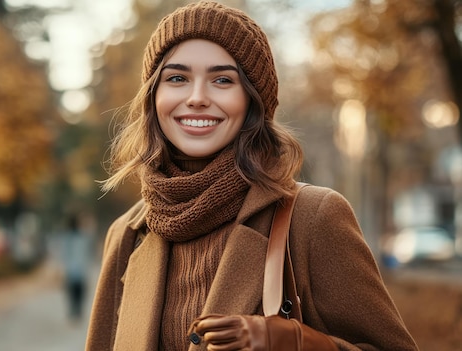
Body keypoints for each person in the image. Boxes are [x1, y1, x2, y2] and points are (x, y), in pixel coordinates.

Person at [86, 1, 418, 351]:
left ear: (252, 100)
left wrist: (297, 343)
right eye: (177, 78)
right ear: (155, 96)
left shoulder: (314, 217)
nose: (197, 98)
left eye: (223, 80)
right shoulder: (126, 233)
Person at [60, 214, 94, 325]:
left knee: (73, 294)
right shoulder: (82, 238)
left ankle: (74, 314)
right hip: (79, 270)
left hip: (71, 270)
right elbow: (86, 255)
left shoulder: (67, 238)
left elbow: (64, 256)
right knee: (78, 293)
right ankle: (77, 314)